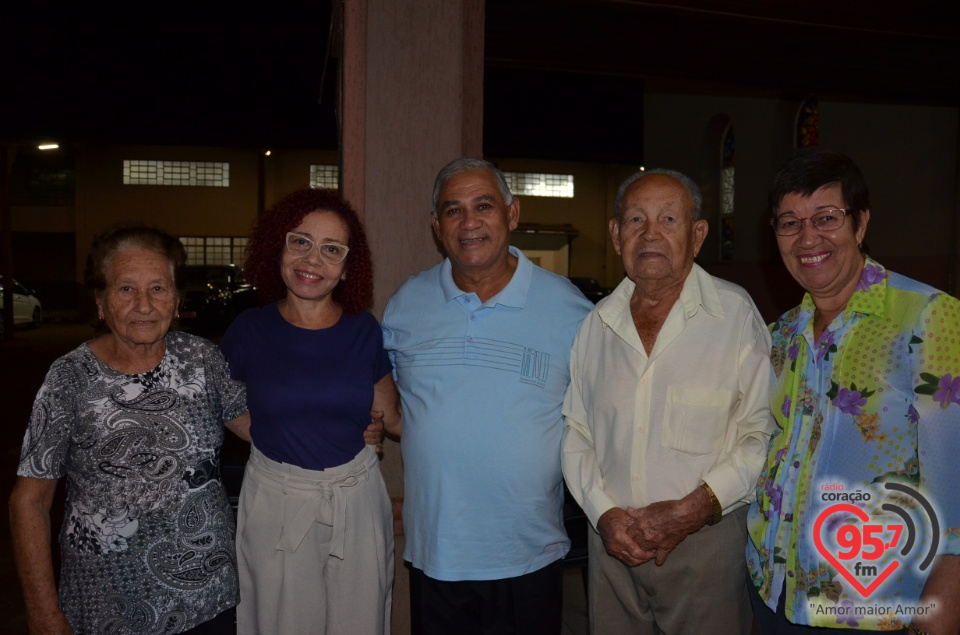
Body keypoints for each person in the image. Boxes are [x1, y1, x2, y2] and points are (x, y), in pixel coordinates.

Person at [747, 150, 960, 634]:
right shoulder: (780, 335)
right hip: (774, 592)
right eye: (789, 223)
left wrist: (944, 605)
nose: (808, 239)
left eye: (827, 218)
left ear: (860, 224)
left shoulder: (926, 318)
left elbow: (957, 480)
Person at [380, 157, 593, 634]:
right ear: (437, 227)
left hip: (528, 552)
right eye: (453, 210)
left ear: (512, 214)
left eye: (484, 205)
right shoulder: (406, 304)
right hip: (436, 552)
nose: (469, 221)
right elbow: (390, 406)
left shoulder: (571, 311)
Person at [562, 169, 775, 634]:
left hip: (704, 542)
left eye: (668, 219)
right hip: (611, 544)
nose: (650, 233)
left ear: (697, 235)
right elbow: (576, 433)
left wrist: (693, 509)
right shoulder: (594, 326)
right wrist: (603, 513)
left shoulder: (735, 315)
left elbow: (762, 433)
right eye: (636, 219)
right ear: (617, 235)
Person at [9, 224, 249, 635]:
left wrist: (349, 424)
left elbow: (263, 430)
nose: (144, 304)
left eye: (158, 288)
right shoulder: (70, 378)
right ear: (100, 302)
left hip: (209, 600)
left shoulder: (202, 360)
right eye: (125, 289)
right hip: (108, 609)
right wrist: (44, 614)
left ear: (176, 300)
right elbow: (29, 503)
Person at [219, 188, 401, 635]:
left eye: (331, 249)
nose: (312, 259)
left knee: (360, 621)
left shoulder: (363, 330)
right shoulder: (249, 330)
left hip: (355, 497)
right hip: (276, 498)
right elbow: (219, 404)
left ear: (346, 269)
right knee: (281, 622)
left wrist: (376, 429)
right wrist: (269, 432)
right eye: (300, 241)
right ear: (277, 248)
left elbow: (389, 415)